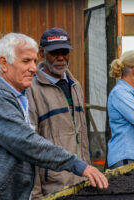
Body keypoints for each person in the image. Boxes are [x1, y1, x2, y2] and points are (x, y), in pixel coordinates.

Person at [0, 33, 108, 200]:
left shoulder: (18, 95)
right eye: (26, 61)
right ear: (4, 64)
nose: (34, 67)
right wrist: (77, 165)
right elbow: (27, 142)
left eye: (34, 61)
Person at [25, 27, 91, 199]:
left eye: (65, 52)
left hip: (81, 182)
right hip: (53, 187)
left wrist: (88, 172)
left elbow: (82, 137)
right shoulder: (31, 90)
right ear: (41, 52)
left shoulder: (75, 85)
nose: (61, 58)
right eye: (55, 53)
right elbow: (30, 145)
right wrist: (36, 194)